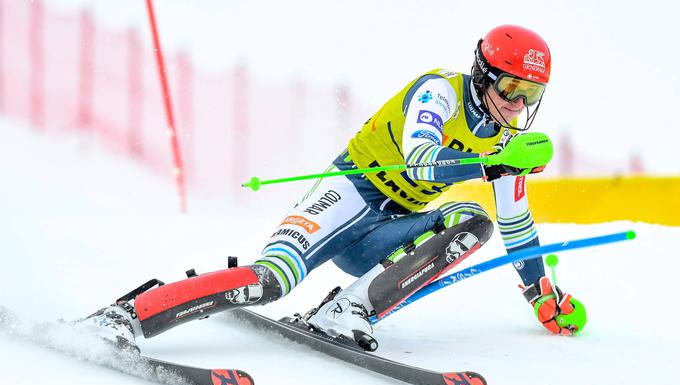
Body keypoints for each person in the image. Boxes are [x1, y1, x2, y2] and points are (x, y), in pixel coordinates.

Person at [85, 24, 586, 353]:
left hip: (387, 231)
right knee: (268, 283)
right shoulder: (439, 91)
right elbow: (420, 161)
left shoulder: (504, 145)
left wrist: (541, 292)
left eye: (531, 95)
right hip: (349, 194)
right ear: (482, 76)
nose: (517, 106)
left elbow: (516, 224)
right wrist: (491, 164)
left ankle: (348, 309)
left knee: (472, 225)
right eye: (510, 90)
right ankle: (127, 315)